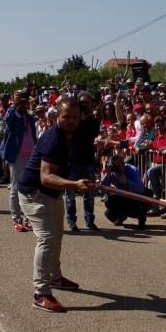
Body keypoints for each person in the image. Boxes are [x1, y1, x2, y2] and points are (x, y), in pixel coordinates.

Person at [17, 97, 94, 313]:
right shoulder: (53, 139)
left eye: (75, 117)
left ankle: (55, 277)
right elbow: (46, 177)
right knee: (47, 237)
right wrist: (75, 184)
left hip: (52, 192)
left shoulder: (76, 135)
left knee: (57, 234)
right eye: (66, 116)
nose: (71, 121)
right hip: (34, 192)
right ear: (56, 116)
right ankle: (40, 293)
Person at [0, 91, 36, 232]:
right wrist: (13, 105)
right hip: (17, 157)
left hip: (31, 156)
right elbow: (7, 120)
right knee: (15, 188)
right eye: (24, 101)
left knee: (30, 189)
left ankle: (28, 219)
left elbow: (34, 136)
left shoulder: (30, 118)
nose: (27, 104)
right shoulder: (13, 115)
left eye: (27, 101)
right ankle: (17, 219)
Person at [65, 93, 99, 232]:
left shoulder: (94, 122)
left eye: (87, 102)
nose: (85, 105)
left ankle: (89, 220)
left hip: (88, 162)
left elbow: (92, 135)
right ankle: (71, 221)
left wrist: (86, 116)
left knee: (89, 195)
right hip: (73, 162)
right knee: (70, 195)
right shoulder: (73, 122)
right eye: (82, 102)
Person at [101, 152, 147, 229]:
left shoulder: (132, 169)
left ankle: (141, 219)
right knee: (108, 206)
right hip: (122, 196)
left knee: (146, 195)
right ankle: (121, 217)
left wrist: (127, 182)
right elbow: (103, 188)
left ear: (123, 164)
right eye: (114, 166)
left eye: (117, 166)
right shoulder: (113, 172)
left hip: (135, 197)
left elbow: (141, 188)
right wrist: (108, 175)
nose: (115, 168)